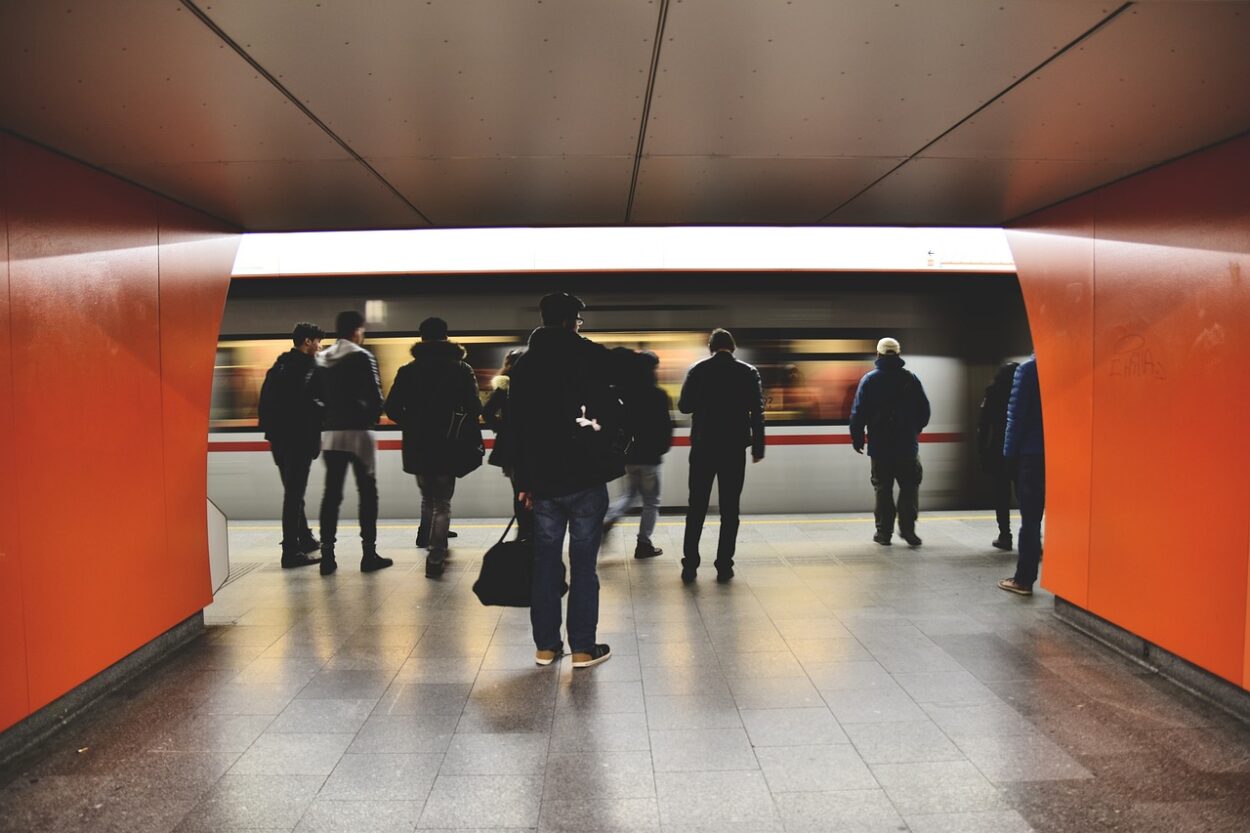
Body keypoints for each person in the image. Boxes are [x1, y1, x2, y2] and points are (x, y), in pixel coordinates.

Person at [509, 292, 621, 669]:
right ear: (572, 321)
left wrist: (523, 480)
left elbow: (517, 428)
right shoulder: (589, 356)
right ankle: (584, 650)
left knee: (545, 563)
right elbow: (615, 405)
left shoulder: (524, 366)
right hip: (586, 477)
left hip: (541, 482)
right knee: (584, 564)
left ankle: (545, 647)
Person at [383, 317, 482, 578]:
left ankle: (425, 537)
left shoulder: (408, 370)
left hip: (418, 444)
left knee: (428, 496)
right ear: (446, 337)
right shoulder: (462, 369)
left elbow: (391, 408)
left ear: (422, 338)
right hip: (449, 443)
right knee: (443, 502)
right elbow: (475, 407)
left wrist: (413, 422)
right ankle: (436, 553)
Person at [678, 328, 766, 584]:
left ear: (711, 347)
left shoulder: (698, 370)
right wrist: (758, 447)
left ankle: (690, 566)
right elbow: (757, 413)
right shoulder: (748, 372)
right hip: (733, 449)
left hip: (704, 447)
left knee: (697, 507)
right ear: (733, 348)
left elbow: (684, 406)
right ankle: (724, 566)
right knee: (730, 509)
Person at [317, 310, 392, 575]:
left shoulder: (322, 358)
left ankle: (327, 555)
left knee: (332, 495)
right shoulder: (363, 356)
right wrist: (370, 418)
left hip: (331, 435)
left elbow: (314, 397)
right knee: (367, 493)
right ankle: (368, 554)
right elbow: (376, 396)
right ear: (357, 330)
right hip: (359, 434)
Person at [849, 337, 931, 547]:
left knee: (883, 489)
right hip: (907, 446)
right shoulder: (911, 379)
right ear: (898, 354)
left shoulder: (869, 380)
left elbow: (858, 414)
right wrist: (914, 430)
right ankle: (909, 531)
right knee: (909, 488)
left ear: (878, 354)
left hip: (880, 447)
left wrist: (858, 438)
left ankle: (884, 533)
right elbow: (925, 410)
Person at [257, 322, 325, 569]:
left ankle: (305, 538)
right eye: (318, 341)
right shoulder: (308, 368)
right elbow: (314, 404)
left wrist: (272, 434)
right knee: (294, 495)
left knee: (293, 491)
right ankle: (290, 551)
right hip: (299, 439)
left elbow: (263, 405)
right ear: (307, 341)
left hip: (278, 440)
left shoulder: (278, 367)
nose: (320, 346)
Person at [603, 351, 674, 559]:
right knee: (651, 502)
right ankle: (644, 544)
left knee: (628, 495)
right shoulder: (658, 394)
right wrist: (661, 448)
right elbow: (665, 427)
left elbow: (619, 424)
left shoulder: (625, 393)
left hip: (629, 457)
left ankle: (608, 519)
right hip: (651, 458)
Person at [999, 356, 1045, 596]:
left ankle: (1024, 580)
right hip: (1067, 455)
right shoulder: (1069, 366)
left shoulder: (1028, 369)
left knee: (1031, 520)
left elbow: (1015, 417)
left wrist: (1009, 456)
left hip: (1032, 457)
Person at [482, 348, 533, 541]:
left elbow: (487, 412)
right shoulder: (537, 384)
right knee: (536, 490)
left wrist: (503, 428)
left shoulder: (505, 385)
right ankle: (532, 531)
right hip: (533, 446)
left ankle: (523, 531)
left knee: (518, 491)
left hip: (511, 448)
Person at [978, 361, 1020, 550]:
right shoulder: (1023, 392)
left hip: (998, 450)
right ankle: (1031, 537)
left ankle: (1005, 535)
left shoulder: (993, 392)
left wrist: (982, 452)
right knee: (1024, 496)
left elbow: (983, 425)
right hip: (1021, 451)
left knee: (1001, 495)